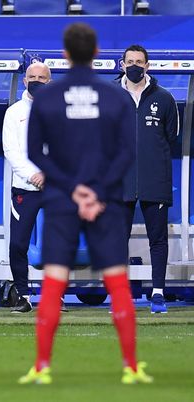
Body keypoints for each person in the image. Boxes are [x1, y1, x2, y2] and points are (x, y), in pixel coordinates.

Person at [19, 22, 152, 385]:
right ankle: (131, 367)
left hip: (62, 201)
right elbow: (127, 152)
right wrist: (94, 192)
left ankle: (42, 367)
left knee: (54, 282)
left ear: (64, 54)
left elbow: (34, 152)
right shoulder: (115, 97)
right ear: (96, 54)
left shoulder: (46, 97)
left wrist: (73, 191)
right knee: (117, 283)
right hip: (105, 201)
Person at [117, 44, 179, 314]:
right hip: (119, 180)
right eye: (130, 61)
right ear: (122, 65)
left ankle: (157, 293)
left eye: (139, 61)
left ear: (147, 66)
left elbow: (171, 135)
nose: (134, 65)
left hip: (155, 180)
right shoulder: (109, 96)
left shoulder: (164, 98)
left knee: (158, 239)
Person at [2, 61, 53, 313]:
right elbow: (11, 151)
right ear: (24, 81)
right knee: (18, 245)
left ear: (49, 81)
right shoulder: (14, 112)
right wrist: (35, 175)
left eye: (41, 77)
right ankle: (23, 296)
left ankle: (58, 297)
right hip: (25, 188)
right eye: (31, 76)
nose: (36, 81)